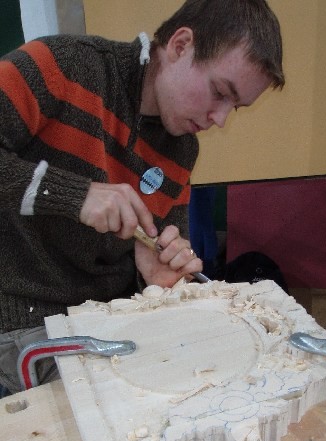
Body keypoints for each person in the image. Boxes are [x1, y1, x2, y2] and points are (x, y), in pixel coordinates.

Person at [0, 0, 284, 395]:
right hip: (25, 322)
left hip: (112, 321)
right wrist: (74, 195)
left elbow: (161, 261)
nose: (220, 119)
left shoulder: (182, 147)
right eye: (220, 92)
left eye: (235, 107)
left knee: (223, 380)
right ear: (181, 45)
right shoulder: (60, 66)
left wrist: (156, 275)